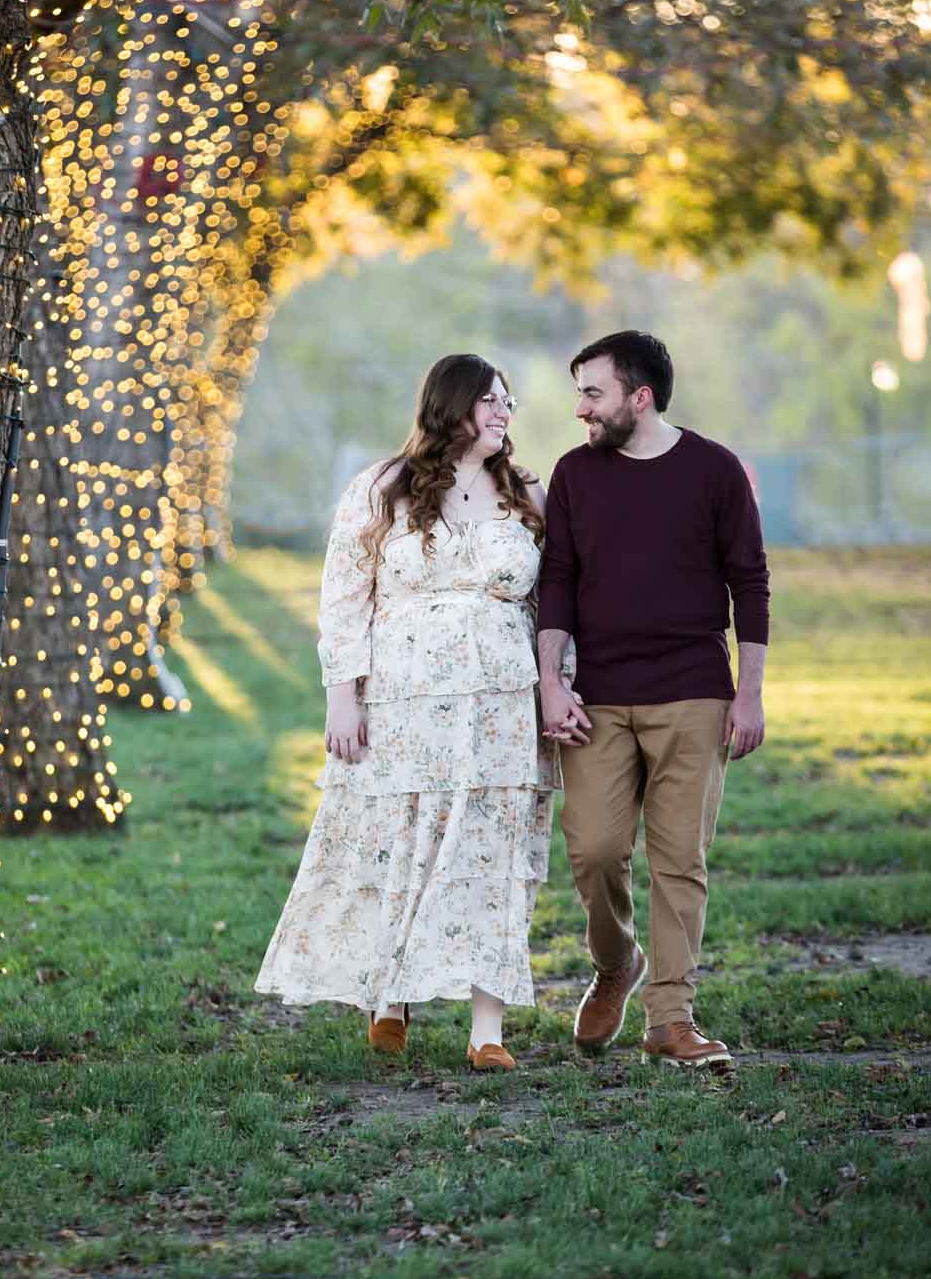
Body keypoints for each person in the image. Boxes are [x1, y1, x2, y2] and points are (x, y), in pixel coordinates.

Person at [255, 353, 561, 1072]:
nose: (502, 413)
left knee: (493, 854)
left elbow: (555, 605)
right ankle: (387, 994)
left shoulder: (525, 493)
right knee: (395, 845)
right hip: (401, 703)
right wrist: (341, 695)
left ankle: (487, 1027)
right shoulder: (381, 488)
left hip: (498, 708)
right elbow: (343, 596)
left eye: (507, 402)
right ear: (447, 406)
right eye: (487, 400)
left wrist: (558, 684)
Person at [537, 330, 769, 1070]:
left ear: (639, 397)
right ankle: (616, 962)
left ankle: (670, 1018)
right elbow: (559, 581)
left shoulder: (714, 470)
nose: (580, 409)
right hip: (597, 697)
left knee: (678, 862)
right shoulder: (574, 473)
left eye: (592, 393)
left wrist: (748, 695)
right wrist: (551, 681)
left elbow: (749, 584)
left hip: (692, 692)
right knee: (594, 848)